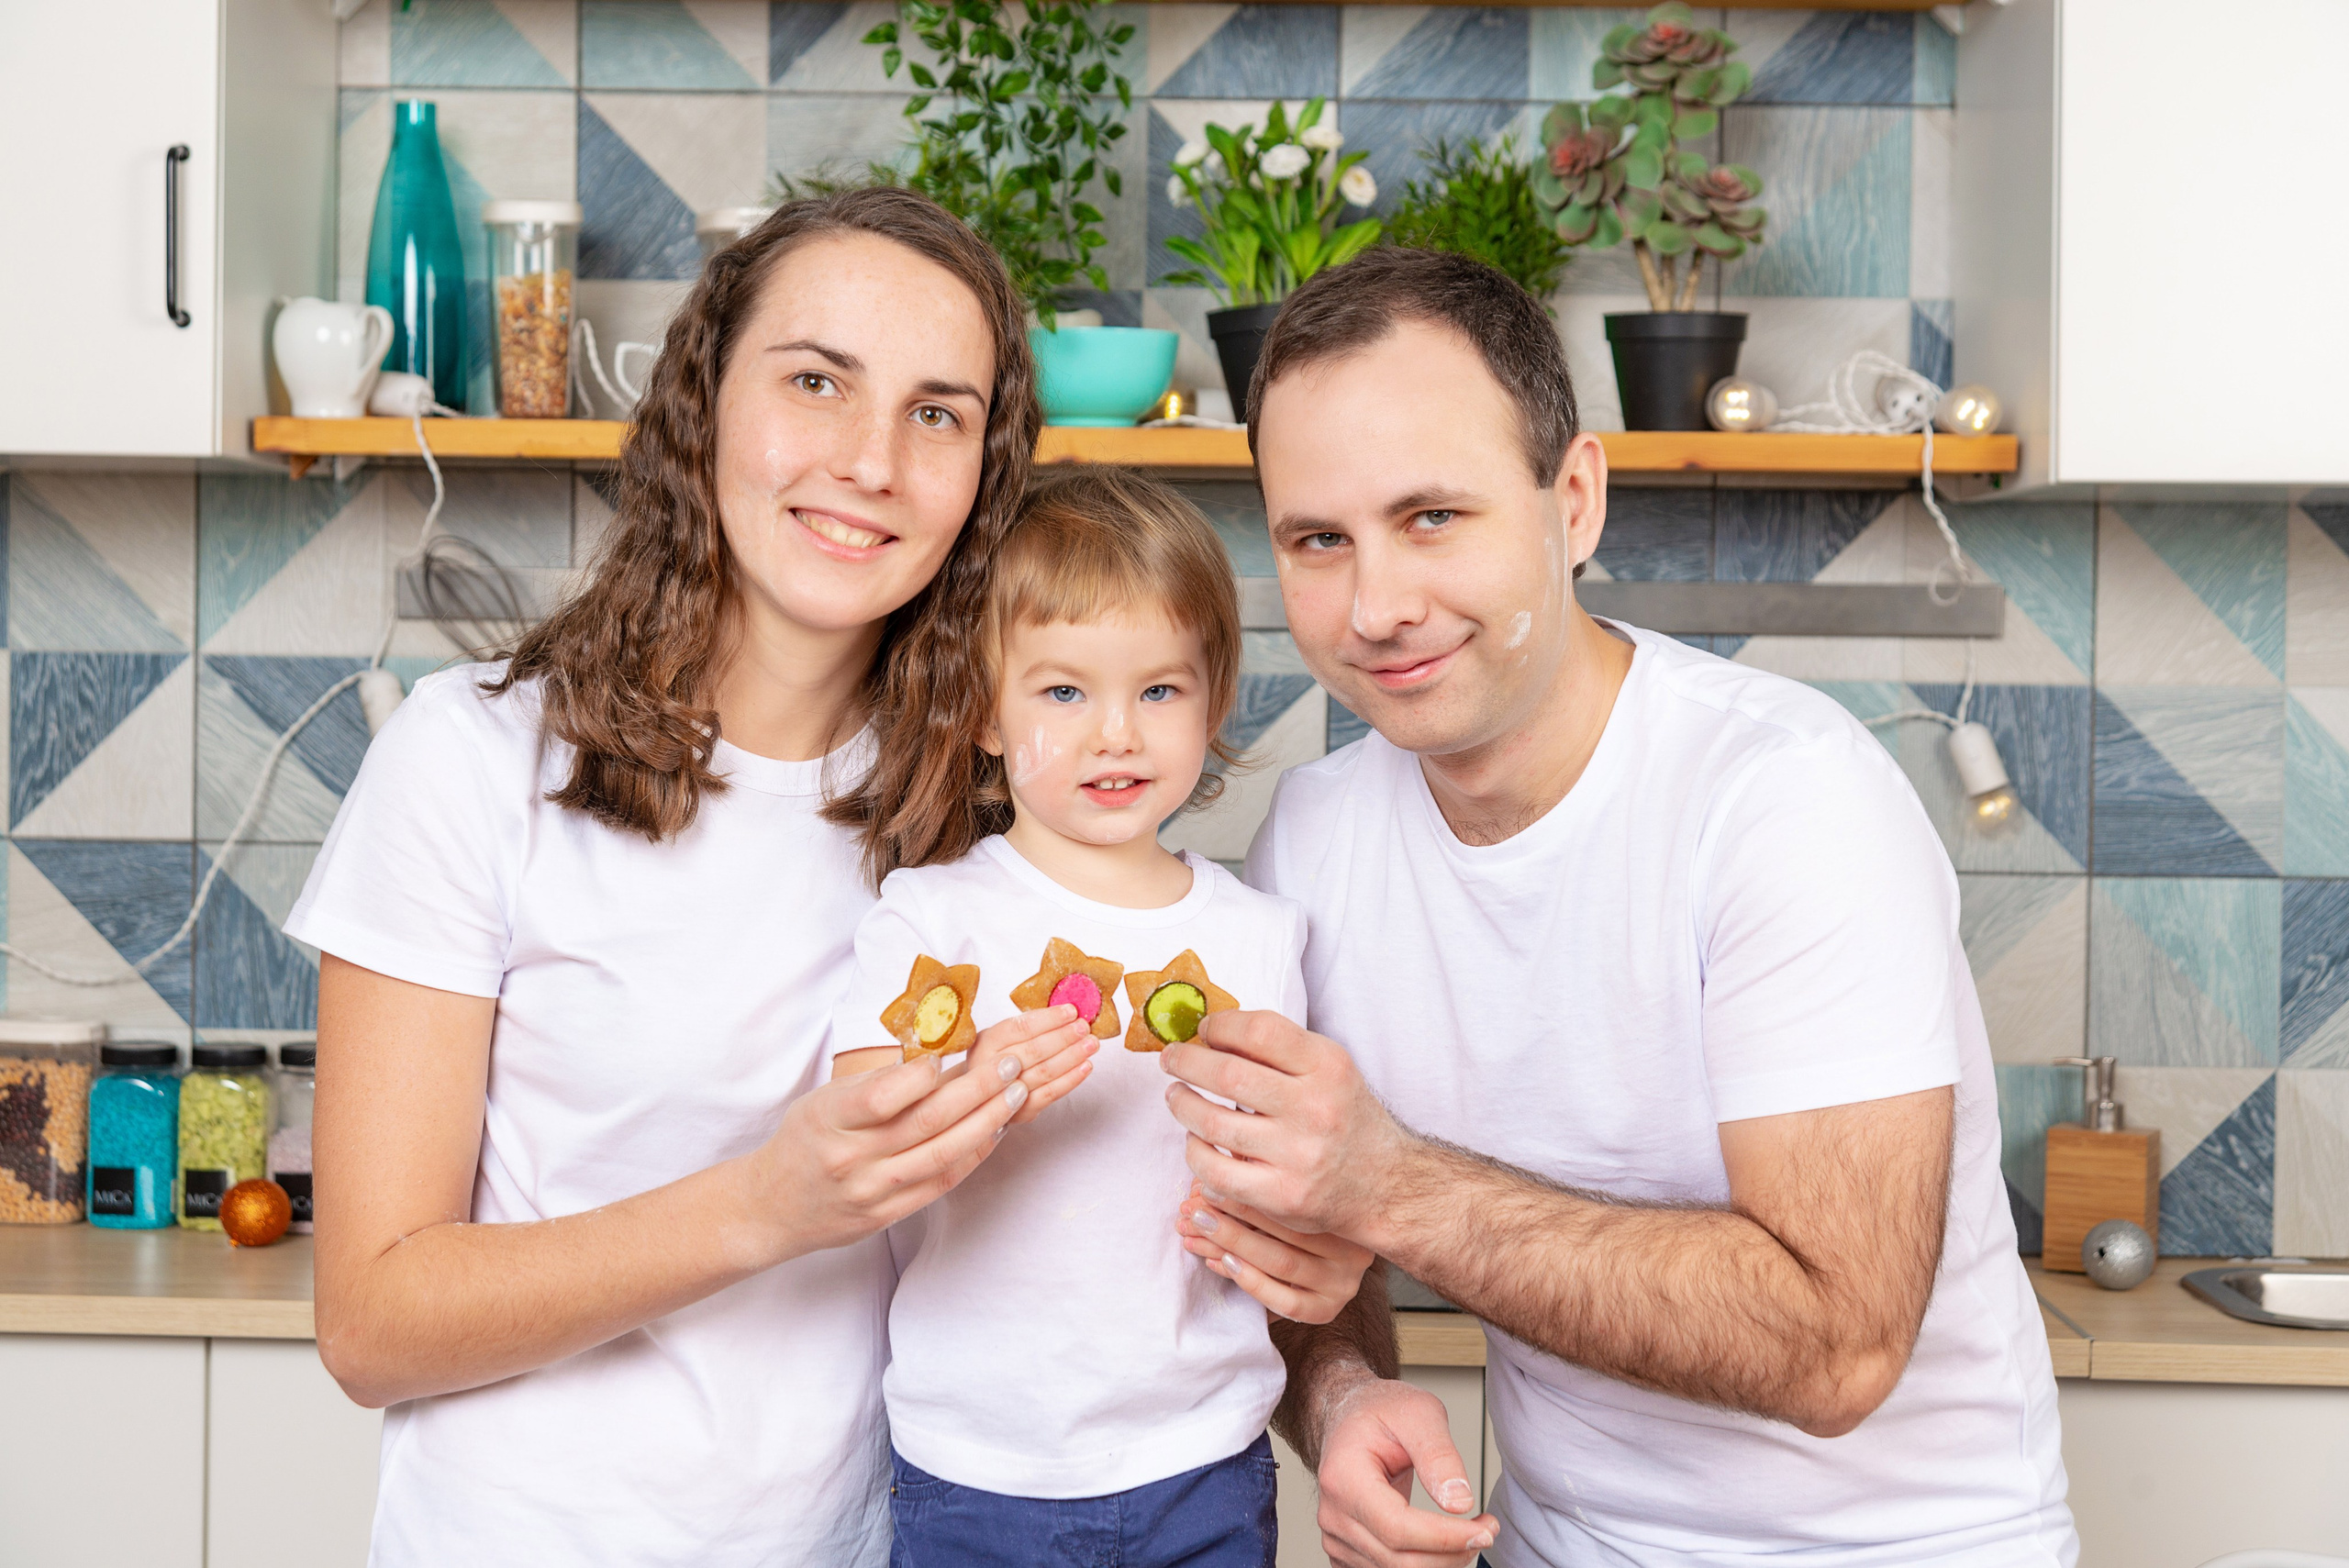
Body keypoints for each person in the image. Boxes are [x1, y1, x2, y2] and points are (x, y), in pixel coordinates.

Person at [1165, 248, 2078, 1568]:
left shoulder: (1786, 799)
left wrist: (1394, 1187)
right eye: (1320, 540)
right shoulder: (1313, 840)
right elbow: (1298, 1233)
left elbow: (1840, 1344)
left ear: (1575, 502)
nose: (1378, 606)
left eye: (1434, 516)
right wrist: (1341, 1392)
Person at [286, 189, 1099, 1566]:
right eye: (815, 381)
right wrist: (765, 1204)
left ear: (983, 476)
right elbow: (372, 1321)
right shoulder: (471, 759)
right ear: (703, 403)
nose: (872, 461)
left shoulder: (988, 810)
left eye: (937, 413)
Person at [826, 467, 1372, 1567]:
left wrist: (1316, 1228)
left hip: (1204, 1457)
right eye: (1064, 693)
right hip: (978, 1468)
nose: (1115, 733)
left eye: (1158, 690)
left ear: (1214, 702)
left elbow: (1305, 1177)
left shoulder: (1262, 937)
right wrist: (977, 1087)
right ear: (986, 711)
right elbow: (856, 1140)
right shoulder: (931, 919)